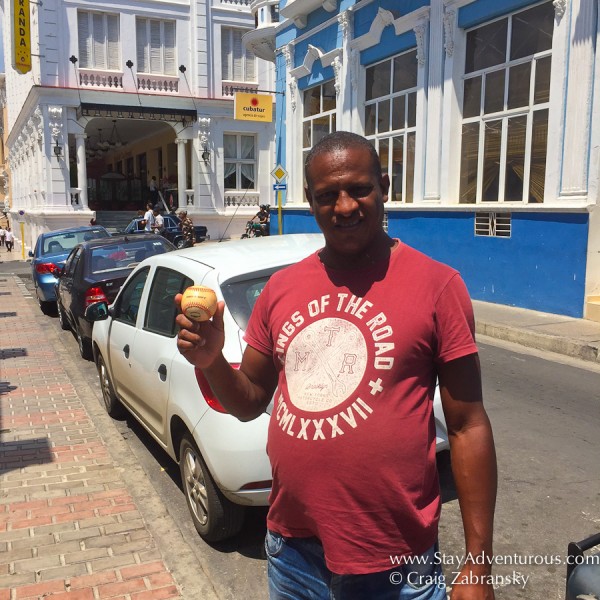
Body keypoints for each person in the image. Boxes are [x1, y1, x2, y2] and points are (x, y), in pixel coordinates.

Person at [175, 131, 497, 600]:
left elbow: (468, 426)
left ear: (384, 186)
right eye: (328, 195)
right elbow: (248, 403)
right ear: (310, 200)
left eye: (359, 189)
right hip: (293, 559)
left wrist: (479, 564)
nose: (345, 206)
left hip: (398, 566)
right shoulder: (281, 290)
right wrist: (211, 362)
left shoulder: (437, 286)